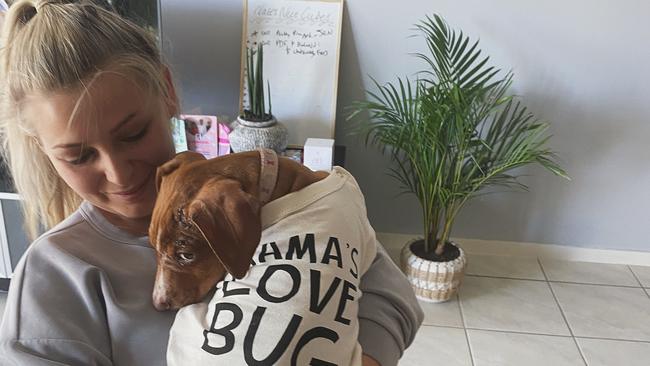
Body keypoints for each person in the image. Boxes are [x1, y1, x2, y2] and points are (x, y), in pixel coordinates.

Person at [0, 1, 423, 365]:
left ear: (167, 92)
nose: (118, 173)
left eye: (133, 134)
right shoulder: (54, 276)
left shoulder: (250, 197)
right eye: (79, 156)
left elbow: (389, 294)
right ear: (41, 147)